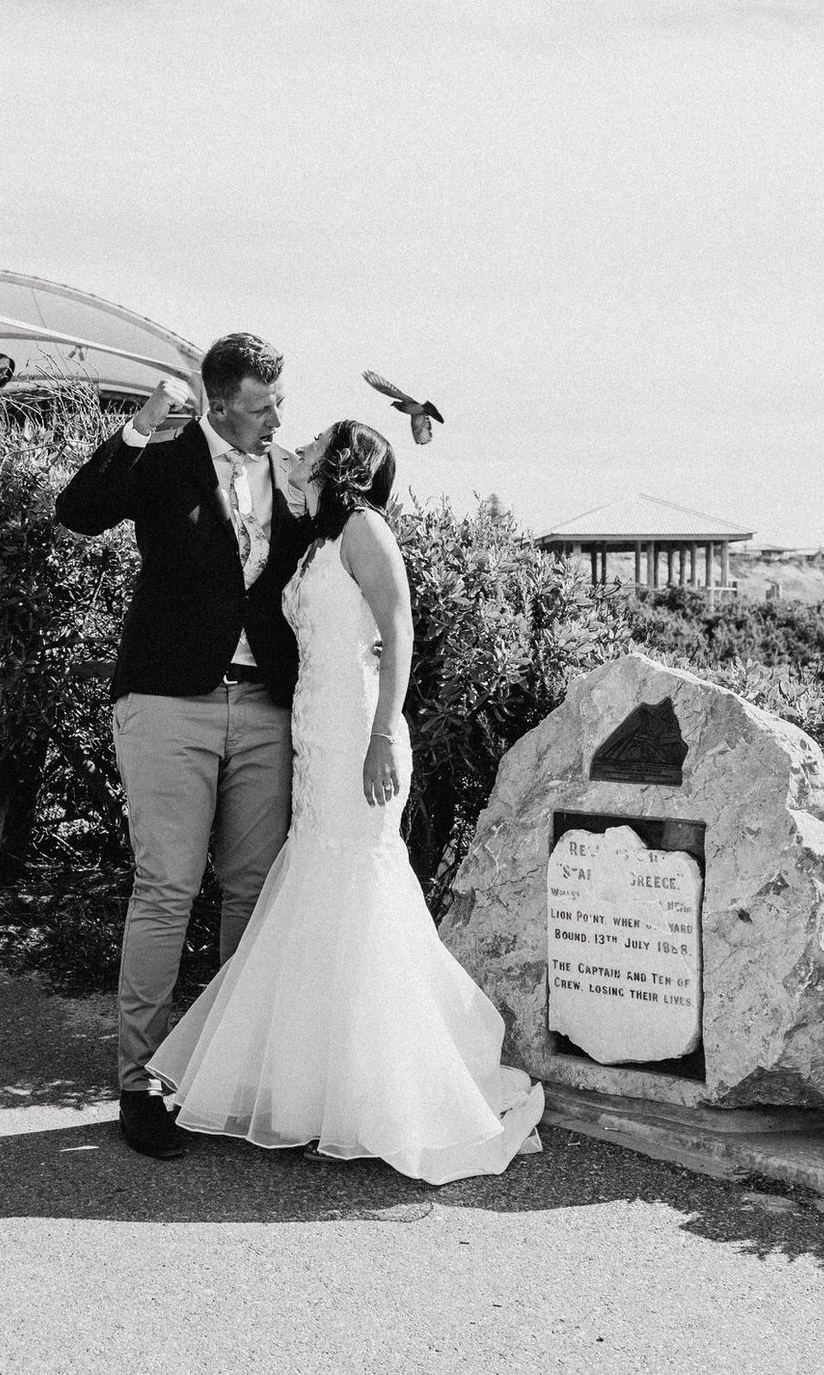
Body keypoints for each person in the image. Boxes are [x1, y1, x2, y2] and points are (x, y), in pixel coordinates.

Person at [147, 420, 544, 1184]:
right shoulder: (319, 537)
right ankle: (317, 1091)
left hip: (359, 732)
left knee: (359, 890)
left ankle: (390, 1094)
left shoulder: (367, 529)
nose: (310, 440)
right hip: (315, 736)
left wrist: (381, 738)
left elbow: (399, 632)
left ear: (350, 464)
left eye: (325, 437)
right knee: (316, 892)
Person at [54, 333, 313, 1160]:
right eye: (263, 402)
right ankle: (142, 1085)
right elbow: (79, 511)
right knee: (166, 887)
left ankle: (225, 1071)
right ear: (219, 400)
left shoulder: (293, 475)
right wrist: (136, 427)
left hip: (267, 704)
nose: (277, 415)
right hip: (170, 700)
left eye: (279, 400)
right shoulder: (164, 460)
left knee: (250, 891)